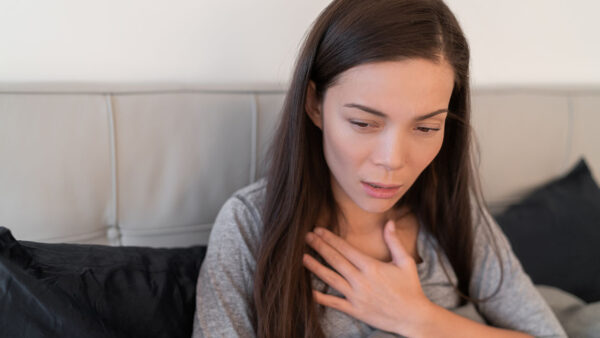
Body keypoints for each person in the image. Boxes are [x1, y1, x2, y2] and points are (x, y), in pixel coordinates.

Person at [192, 0, 566, 337]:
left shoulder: (455, 211)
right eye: (363, 123)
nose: (392, 159)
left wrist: (420, 319)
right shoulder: (249, 225)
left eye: (426, 128)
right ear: (314, 104)